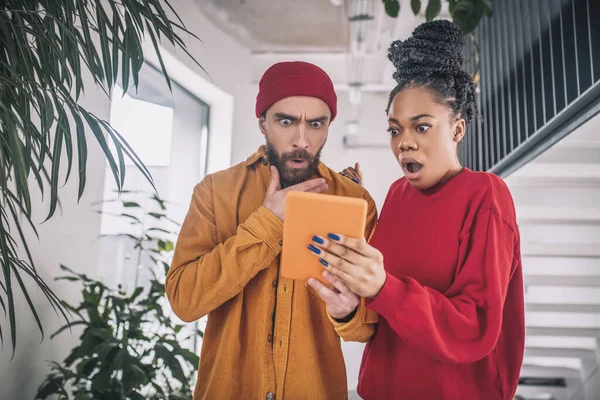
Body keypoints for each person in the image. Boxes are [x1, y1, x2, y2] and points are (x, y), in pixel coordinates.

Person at [307, 20, 525, 400]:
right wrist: (348, 308)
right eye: (395, 130)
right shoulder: (396, 194)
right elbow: (388, 316)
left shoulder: (486, 194)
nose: (404, 143)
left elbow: (475, 327)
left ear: (457, 129)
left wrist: (383, 288)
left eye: (421, 127)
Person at [165, 61, 378, 400]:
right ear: (262, 123)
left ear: (328, 128)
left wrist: (350, 312)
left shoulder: (355, 201)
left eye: (316, 124)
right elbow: (184, 301)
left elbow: (369, 326)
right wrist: (268, 221)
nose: (302, 140)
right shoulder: (214, 192)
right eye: (286, 121)